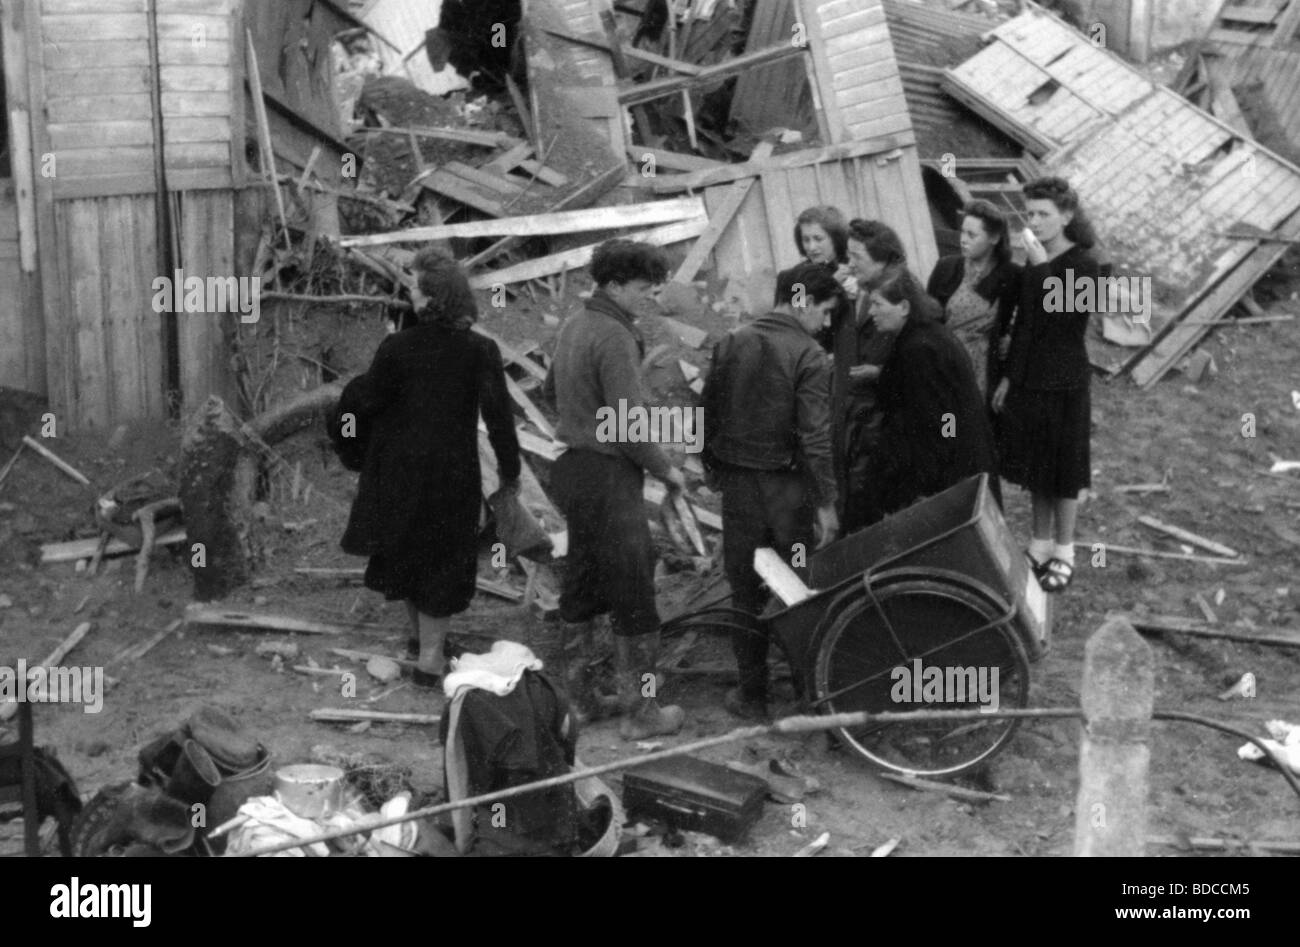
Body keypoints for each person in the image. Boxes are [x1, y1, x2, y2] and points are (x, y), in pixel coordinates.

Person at [337, 249, 522, 687]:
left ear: (432, 298)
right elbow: (500, 419)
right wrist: (510, 473)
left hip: (397, 474)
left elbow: (367, 401)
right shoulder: (481, 350)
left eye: (414, 288)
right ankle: (431, 659)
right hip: (451, 476)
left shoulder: (397, 348)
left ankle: (423, 646)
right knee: (441, 561)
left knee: (406, 553)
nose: (410, 296)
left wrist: (351, 430)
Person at [542, 239, 687, 740]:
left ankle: (580, 703)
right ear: (615, 283)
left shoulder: (574, 326)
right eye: (643, 289)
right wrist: (667, 469)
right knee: (634, 588)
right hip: (606, 475)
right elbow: (627, 425)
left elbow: (547, 390)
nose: (646, 299)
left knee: (582, 576)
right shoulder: (614, 334)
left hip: (573, 471)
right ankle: (641, 712)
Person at [702, 262, 843, 720]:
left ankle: (752, 695)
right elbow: (815, 439)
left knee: (745, 589)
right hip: (788, 494)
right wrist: (826, 503)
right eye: (824, 312)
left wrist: (712, 469)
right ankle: (810, 695)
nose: (825, 324)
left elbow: (704, 413)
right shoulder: (810, 356)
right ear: (800, 301)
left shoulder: (731, 342)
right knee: (797, 586)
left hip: (740, 489)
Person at [990, 176, 1101, 593]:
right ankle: (1038, 544)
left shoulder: (1085, 264)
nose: (1034, 221)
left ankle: (1065, 551)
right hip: (1032, 377)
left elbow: (1061, 322)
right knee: (1037, 464)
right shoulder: (1035, 261)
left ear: (1067, 216)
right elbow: (1024, 327)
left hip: (1066, 379)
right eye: (1030, 213)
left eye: (1044, 214)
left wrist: (1038, 267)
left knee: (1065, 468)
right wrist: (1010, 378)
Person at [859, 268, 998, 524]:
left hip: (954, 471)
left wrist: (929, 486)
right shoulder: (924, 335)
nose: (871, 312)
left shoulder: (919, 348)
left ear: (903, 307)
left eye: (877, 304)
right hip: (958, 462)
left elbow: (941, 421)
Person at [838, 219, 908, 532]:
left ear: (881, 261)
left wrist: (878, 372)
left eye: (857, 258)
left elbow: (916, 355)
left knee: (870, 498)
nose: (850, 265)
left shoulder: (899, 296)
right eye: (848, 256)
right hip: (861, 412)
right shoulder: (864, 291)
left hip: (884, 416)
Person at [926, 200, 1023, 399]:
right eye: (963, 232)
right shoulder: (946, 268)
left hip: (983, 369)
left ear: (995, 238)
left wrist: (1009, 338)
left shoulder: (1011, 276)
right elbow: (926, 318)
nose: (963, 240)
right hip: (943, 362)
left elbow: (1026, 317)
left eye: (972, 235)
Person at [775, 205, 854, 353]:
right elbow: (797, 320)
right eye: (806, 240)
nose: (811, 247)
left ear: (836, 238)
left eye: (818, 239)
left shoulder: (854, 269)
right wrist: (831, 285)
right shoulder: (795, 280)